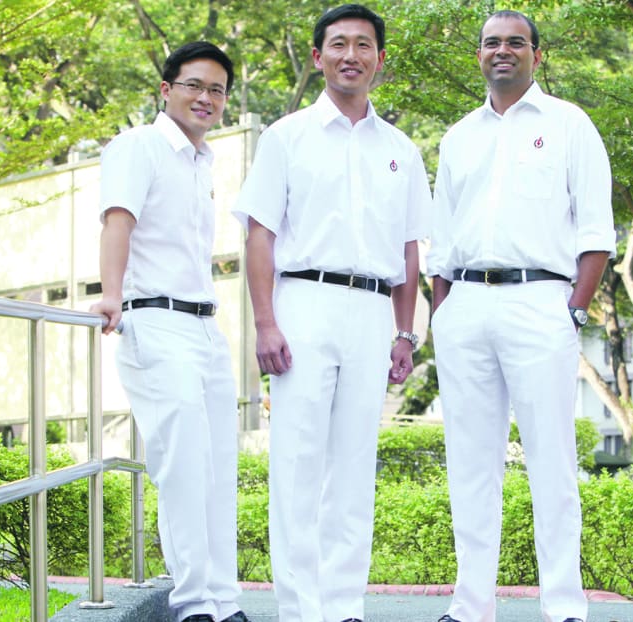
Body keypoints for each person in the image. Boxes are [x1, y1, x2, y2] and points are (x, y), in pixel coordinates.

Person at [232, 4, 430, 621]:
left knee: (354, 463)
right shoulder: (285, 137)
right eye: (338, 44)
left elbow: (408, 250)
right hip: (304, 304)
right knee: (297, 459)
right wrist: (265, 322)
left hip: (374, 313)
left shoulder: (402, 149)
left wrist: (406, 330)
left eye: (364, 45)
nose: (352, 55)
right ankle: (299, 609)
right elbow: (259, 236)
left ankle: (346, 607)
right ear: (318, 56)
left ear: (379, 59)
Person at [427, 10, 616, 622]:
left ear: (538, 54)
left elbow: (596, 231)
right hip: (466, 305)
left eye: (515, 42)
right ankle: (469, 606)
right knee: (470, 464)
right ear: (479, 55)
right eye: (491, 43)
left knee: (551, 461)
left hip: (542, 302)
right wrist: (441, 313)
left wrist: (575, 311)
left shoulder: (569, 125)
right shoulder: (458, 137)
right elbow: (442, 239)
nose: (501, 51)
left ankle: (564, 607)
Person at [89, 42, 250, 622]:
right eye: (194, 85)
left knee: (216, 467)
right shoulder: (139, 146)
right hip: (153, 319)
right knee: (182, 465)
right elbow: (118, 221)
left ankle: (223, 599)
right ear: (166, 89)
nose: (206, 98)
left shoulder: (203, 161)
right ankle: (192, 604)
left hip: (205, 327)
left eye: (217, 90)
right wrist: (110, 295)